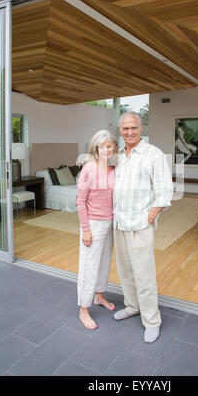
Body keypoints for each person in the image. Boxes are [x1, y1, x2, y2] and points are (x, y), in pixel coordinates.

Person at [113, 111, 173, 343]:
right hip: (119, 222)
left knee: (144, 274)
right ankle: (132, 306)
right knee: (125, 270)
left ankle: (152, 321)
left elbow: (165, 190)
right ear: (120, 130)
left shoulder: (153, 154)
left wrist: (153, 214)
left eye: (134, 128)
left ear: (141, 129)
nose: (130, 132)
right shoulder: (117, 155)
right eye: (125, 128)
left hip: (140, 223)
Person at [76, 130, 118, 330]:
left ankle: (99, 295)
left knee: (104, 262)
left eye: (110, 146)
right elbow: (80, 201)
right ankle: (83, 309)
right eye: (103, 146)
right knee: (89, 266)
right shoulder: (88, 169)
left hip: (110, 223)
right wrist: (85, 229)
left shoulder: (113, 168)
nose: (107, 150)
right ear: (96, 148)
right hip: (92, 224)